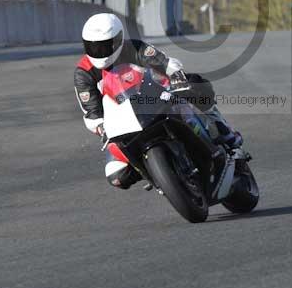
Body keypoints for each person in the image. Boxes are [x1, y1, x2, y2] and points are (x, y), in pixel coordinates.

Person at [74, 13, 243, 189]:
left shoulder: (133, 47)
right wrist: (100, 126)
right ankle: (154, 173)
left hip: (152, 98)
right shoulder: (83, 72)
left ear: (118, 40)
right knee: (117, 176)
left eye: (104, 46)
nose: (98, 52)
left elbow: (161, 61)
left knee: (196, 85)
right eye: (92, 47)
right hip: (122, 122)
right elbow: (91, 110)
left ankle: (224, 131)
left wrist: (175, 75)